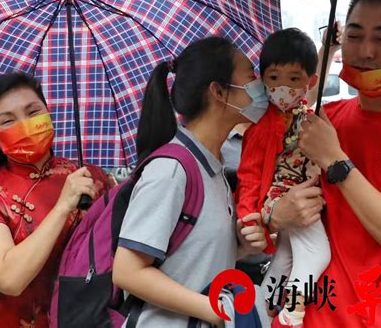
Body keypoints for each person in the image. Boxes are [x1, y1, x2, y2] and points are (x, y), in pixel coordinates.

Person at [269, 0, 381, 327]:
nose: (365, 51)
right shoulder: (324, 119)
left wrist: (335, 160)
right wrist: (278, 215)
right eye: (354, 35)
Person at [112, 36, 270, 327]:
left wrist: (240, 246)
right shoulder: (171, 170)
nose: (260, 86)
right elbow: (127, 271)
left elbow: (190, 259)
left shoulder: (213, 166)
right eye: (251, 76)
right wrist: (214, 310)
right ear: (219, 92)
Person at [0, 72, 112, 328]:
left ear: (48, 114)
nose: (24, 124)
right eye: (8, 121)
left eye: (33, 111)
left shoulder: (92, 179)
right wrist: (62, 208)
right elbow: (9, 280)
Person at [235, 28, 344, 327]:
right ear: (262, 80)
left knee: (285, 258)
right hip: (282, 199)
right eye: (273, 78)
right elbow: (248, 175)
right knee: (317, 254)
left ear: (307, 81)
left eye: (293, 79)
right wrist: (249, 217)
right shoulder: (260, 127)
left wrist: (329, 50)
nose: (283, 87)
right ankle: (290, 316)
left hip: (295, 198)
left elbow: (314, 89)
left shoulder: (304, 114)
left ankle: (263, 307)